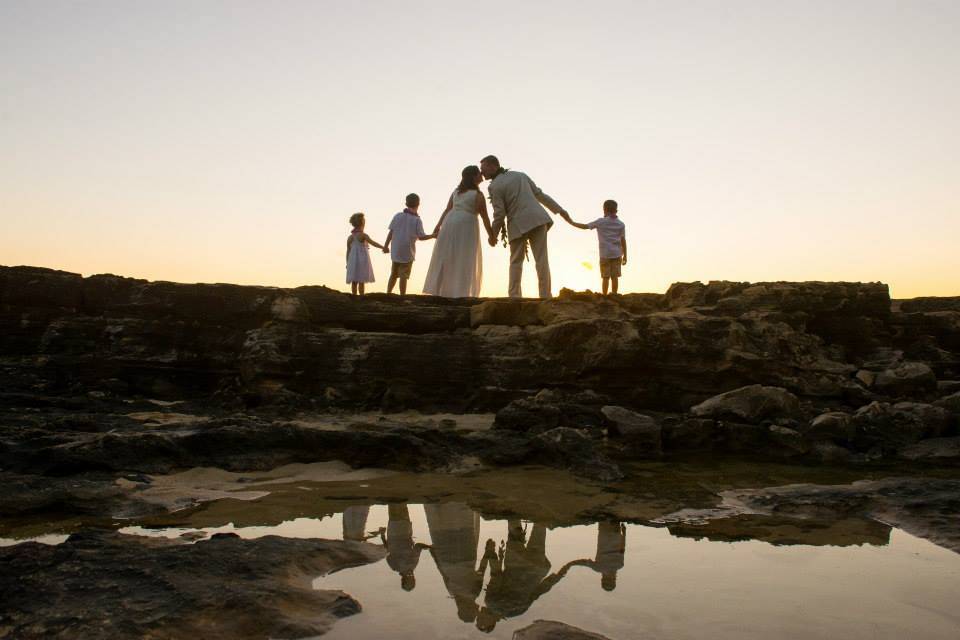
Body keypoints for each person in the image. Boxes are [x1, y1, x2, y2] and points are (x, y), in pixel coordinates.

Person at [481, 155, 571, 299]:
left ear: (494, 166)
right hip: (537, 218)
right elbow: (539, 194)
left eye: (483, 168)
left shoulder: (494, 186)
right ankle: (545, 295)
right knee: (542, 259)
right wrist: (559, 209)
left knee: (516, 261)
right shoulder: (520, 175)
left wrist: (493, 235)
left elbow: (499, 213)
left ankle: (514, 296)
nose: (481, 172)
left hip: (517, 223)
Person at [422, 166, 492, 298]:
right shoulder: (478, 195)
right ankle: (460, 292)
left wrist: (438, 226)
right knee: (465, 257)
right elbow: (485, 216)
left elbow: (447, 209)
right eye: (479, 173)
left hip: (450, 222)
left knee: (445, 255)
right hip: (466, 224)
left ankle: (440, 290)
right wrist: (491, 236)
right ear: (473, 177)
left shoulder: (456, 192)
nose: (481, 174)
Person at [564, 199, 627, 295]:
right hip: (617, 253)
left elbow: (585, 226)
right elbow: (623, 241)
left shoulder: (601, 222)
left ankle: (605, 295)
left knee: (605, 276)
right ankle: (614, 295)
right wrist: (625, 256)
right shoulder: (621, 224)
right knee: (615, 276)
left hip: (605, 254)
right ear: (616, 210)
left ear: (604, 210)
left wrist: (572, 222)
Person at [383, 193, 435, 295]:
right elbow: (421, 237)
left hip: (396, 250)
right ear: (418, 204)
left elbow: (391, 232)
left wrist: (385, 245)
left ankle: (388, 293)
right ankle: (402, 295)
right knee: (403, 275)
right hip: (407, 251)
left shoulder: (397, 216)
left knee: (393, 274)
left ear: (406, 203)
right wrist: (433, 235)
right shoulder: (417, 220)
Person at [380, 504, 429, 591]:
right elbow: (386, 548)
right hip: (392, 530)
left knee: (401, 504)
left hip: (404, 529)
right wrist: (382, 535)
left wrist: (430, 547)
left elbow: (418, 546)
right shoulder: (393, 566)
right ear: (402, 579)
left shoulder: (411, 565)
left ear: (412, 579)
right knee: (392, 505)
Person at [345, 212, 385, 296]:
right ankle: (361, 296)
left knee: (354, 280)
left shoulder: (350, 237)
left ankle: (354, 296)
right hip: (362, 260)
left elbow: (348, 251)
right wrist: (383, 247)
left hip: (352, 261)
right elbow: (373, 243)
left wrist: (347, 262)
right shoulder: (363, 235)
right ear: (362, 223)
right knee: (361, 279)